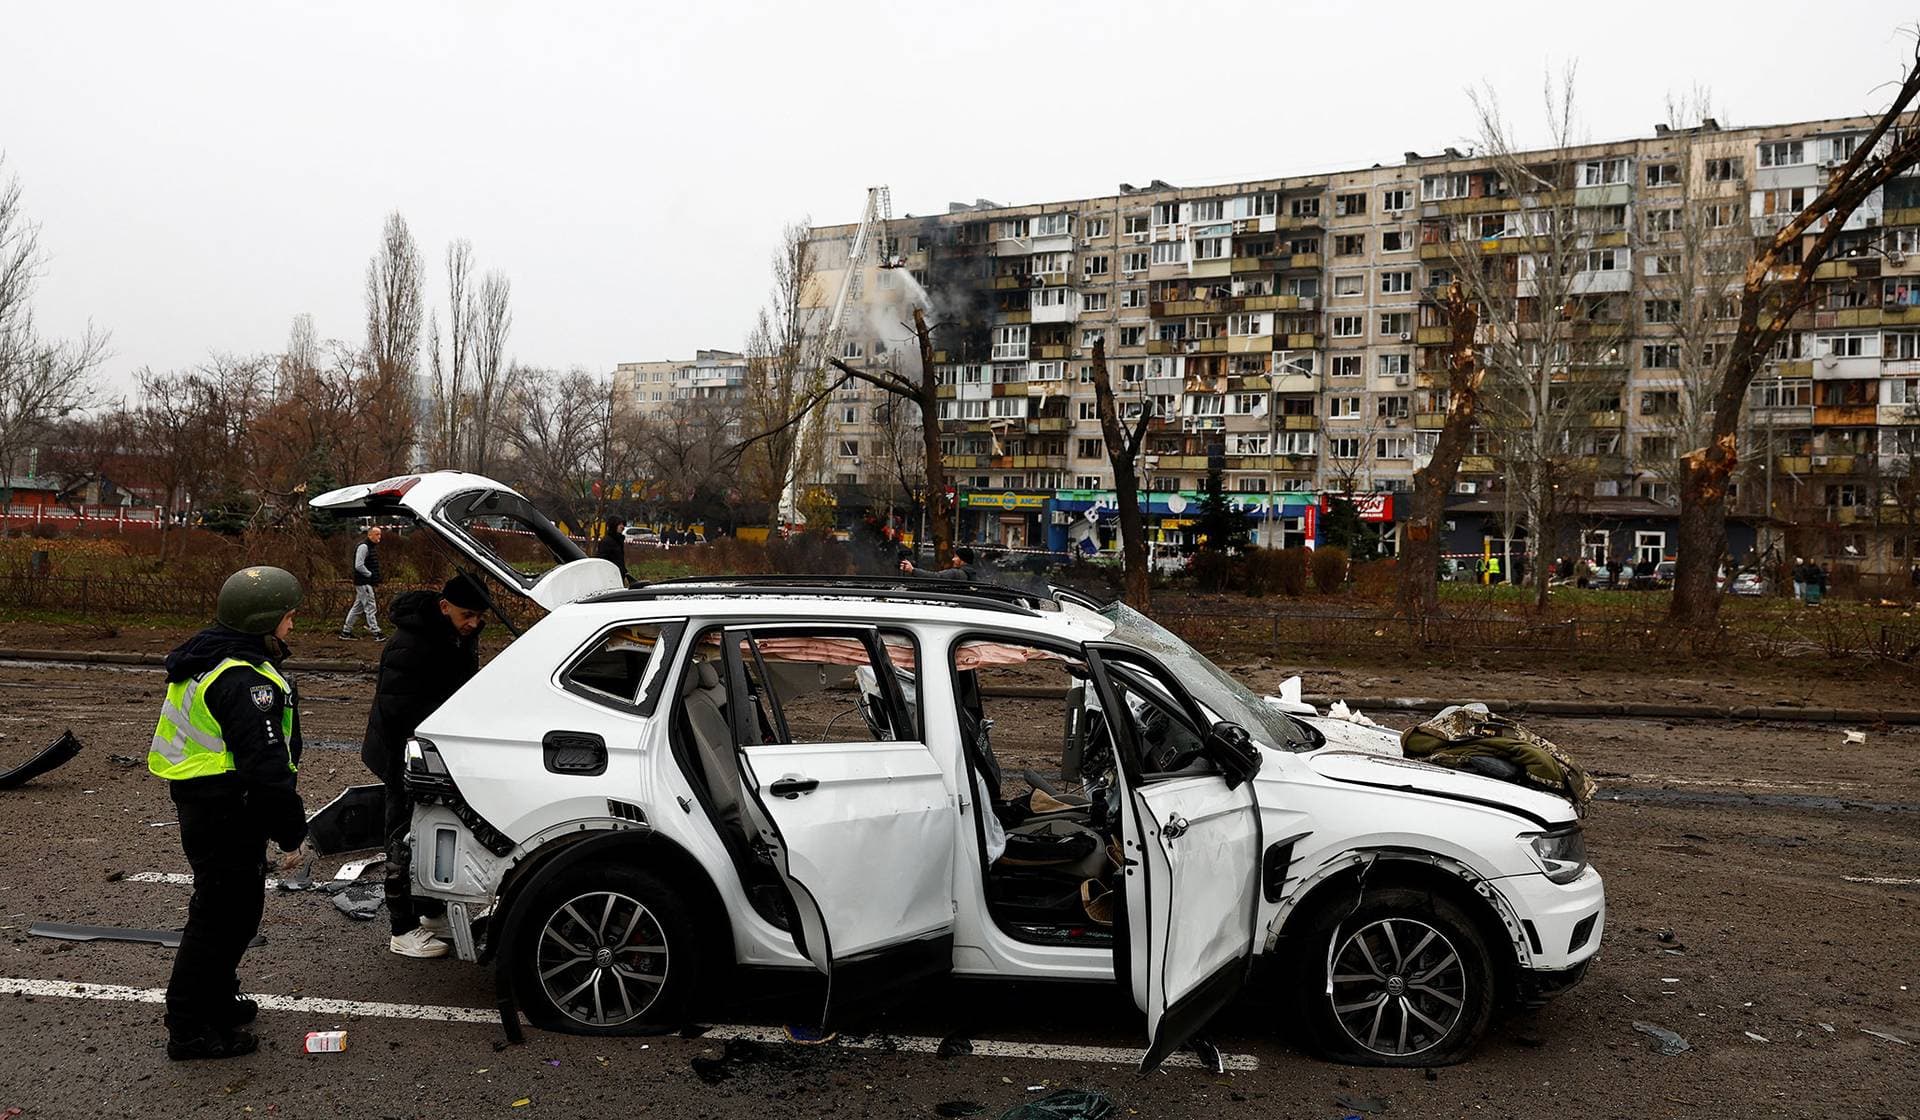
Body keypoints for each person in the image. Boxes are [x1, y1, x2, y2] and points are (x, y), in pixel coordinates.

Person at [150, 566, 308, 1060]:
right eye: (288, 617)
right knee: (221, 920)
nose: (292, 625)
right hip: (226, 809)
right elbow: (266, 769)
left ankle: (216, 1001)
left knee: (229, 916)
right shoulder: (242, 679)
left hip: (209, 803)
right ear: (265, 621)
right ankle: (191, 1029)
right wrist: (291, 834)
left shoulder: (211, 655)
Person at [362, 574, 488, 958]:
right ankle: (401, 929)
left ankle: (430, 913)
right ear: (444, 606)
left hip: (432, 753)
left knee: (434, 831)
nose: (474, 623)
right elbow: (398, 713)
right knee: (402, 837)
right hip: (405, 755)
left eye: (480, 617)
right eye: (468, 615)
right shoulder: (410, 645)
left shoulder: (457, 635)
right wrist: (420, 762)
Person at [339, 526, 385, 640]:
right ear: (370, 535)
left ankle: (346, 631)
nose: (379, 536)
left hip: (363, 582)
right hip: (364, 582)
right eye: (377, 534)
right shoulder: (364, 546)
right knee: (370, 606)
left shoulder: (369, 546)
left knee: (357, 607)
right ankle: (376, 632)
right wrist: (370, 575)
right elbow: (359, 565)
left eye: (380, 534)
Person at [597, 517, 631, 583]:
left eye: (623, 524)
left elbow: (619, 560)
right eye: (620, 524)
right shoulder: (607, 541)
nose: (622, 527)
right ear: (613, 526)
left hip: (619, 575)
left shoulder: (619, 540)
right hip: (610, 577)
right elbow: (602, 559)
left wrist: (624, 571)